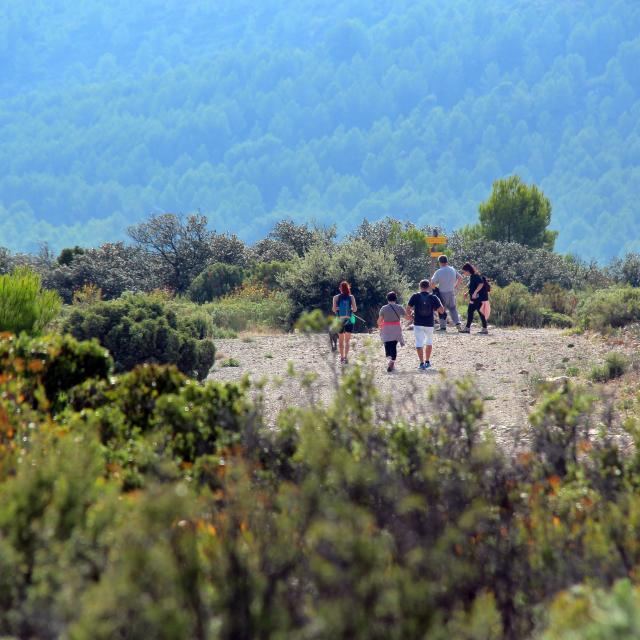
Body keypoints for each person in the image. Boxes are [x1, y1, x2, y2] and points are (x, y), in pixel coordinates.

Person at [406, 279, 445, 370]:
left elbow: (407, 309)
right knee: (429, 342)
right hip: (429, 323)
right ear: (429, 287)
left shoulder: (415, 296)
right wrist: (435, 308)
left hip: (418, 323)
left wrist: (411, 317)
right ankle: (427, 361)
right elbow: (442, 310)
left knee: (419, 343)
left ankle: (421, 363)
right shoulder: (433, 297)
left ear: (420, 287)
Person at [431, 255, 463, 331]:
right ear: (447, 261)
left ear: (440, 262)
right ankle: (458, 323)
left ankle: (443, 327)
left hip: (442, 293)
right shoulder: (452, 269)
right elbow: (460, 278)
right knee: (453, 308)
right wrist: (455, 286)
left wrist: (435, 289)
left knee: (441, 309)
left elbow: (432, 283)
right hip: (451, 292)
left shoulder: (438, 272)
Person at [377, 291, 405, 372]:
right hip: (396, 328)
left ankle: (389, 357)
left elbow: (379, 321)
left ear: (387, 299)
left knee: (387, 343)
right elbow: (407, 317)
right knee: (393, 345)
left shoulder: (383, 308)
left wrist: (379, 325)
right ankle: (392, 361)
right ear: (395, 299)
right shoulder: (399, 307)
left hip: (386, 328)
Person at [459, 262, 490, 334]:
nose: (464, 274)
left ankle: (484, 329)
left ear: (468, 270)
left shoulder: (475, 276)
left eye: (464, 272)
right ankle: (467, 328)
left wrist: (475, 292)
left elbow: (481, 284)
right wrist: (467, 293)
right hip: (475, 298)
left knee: (480, 312)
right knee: (470, 311)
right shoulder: (472, 276)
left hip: (479, 298)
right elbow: (473, 287)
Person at [332, 281, 357, 364]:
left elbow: (334, 310)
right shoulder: (351, 297)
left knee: (341, 341)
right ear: (348, 288)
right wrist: (350, 310)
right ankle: (346, 357)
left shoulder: (336, 297)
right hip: (349, 321)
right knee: (347, 341)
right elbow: (355, 309)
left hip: (339, 321)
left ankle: (342, 357)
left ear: (340, 289)